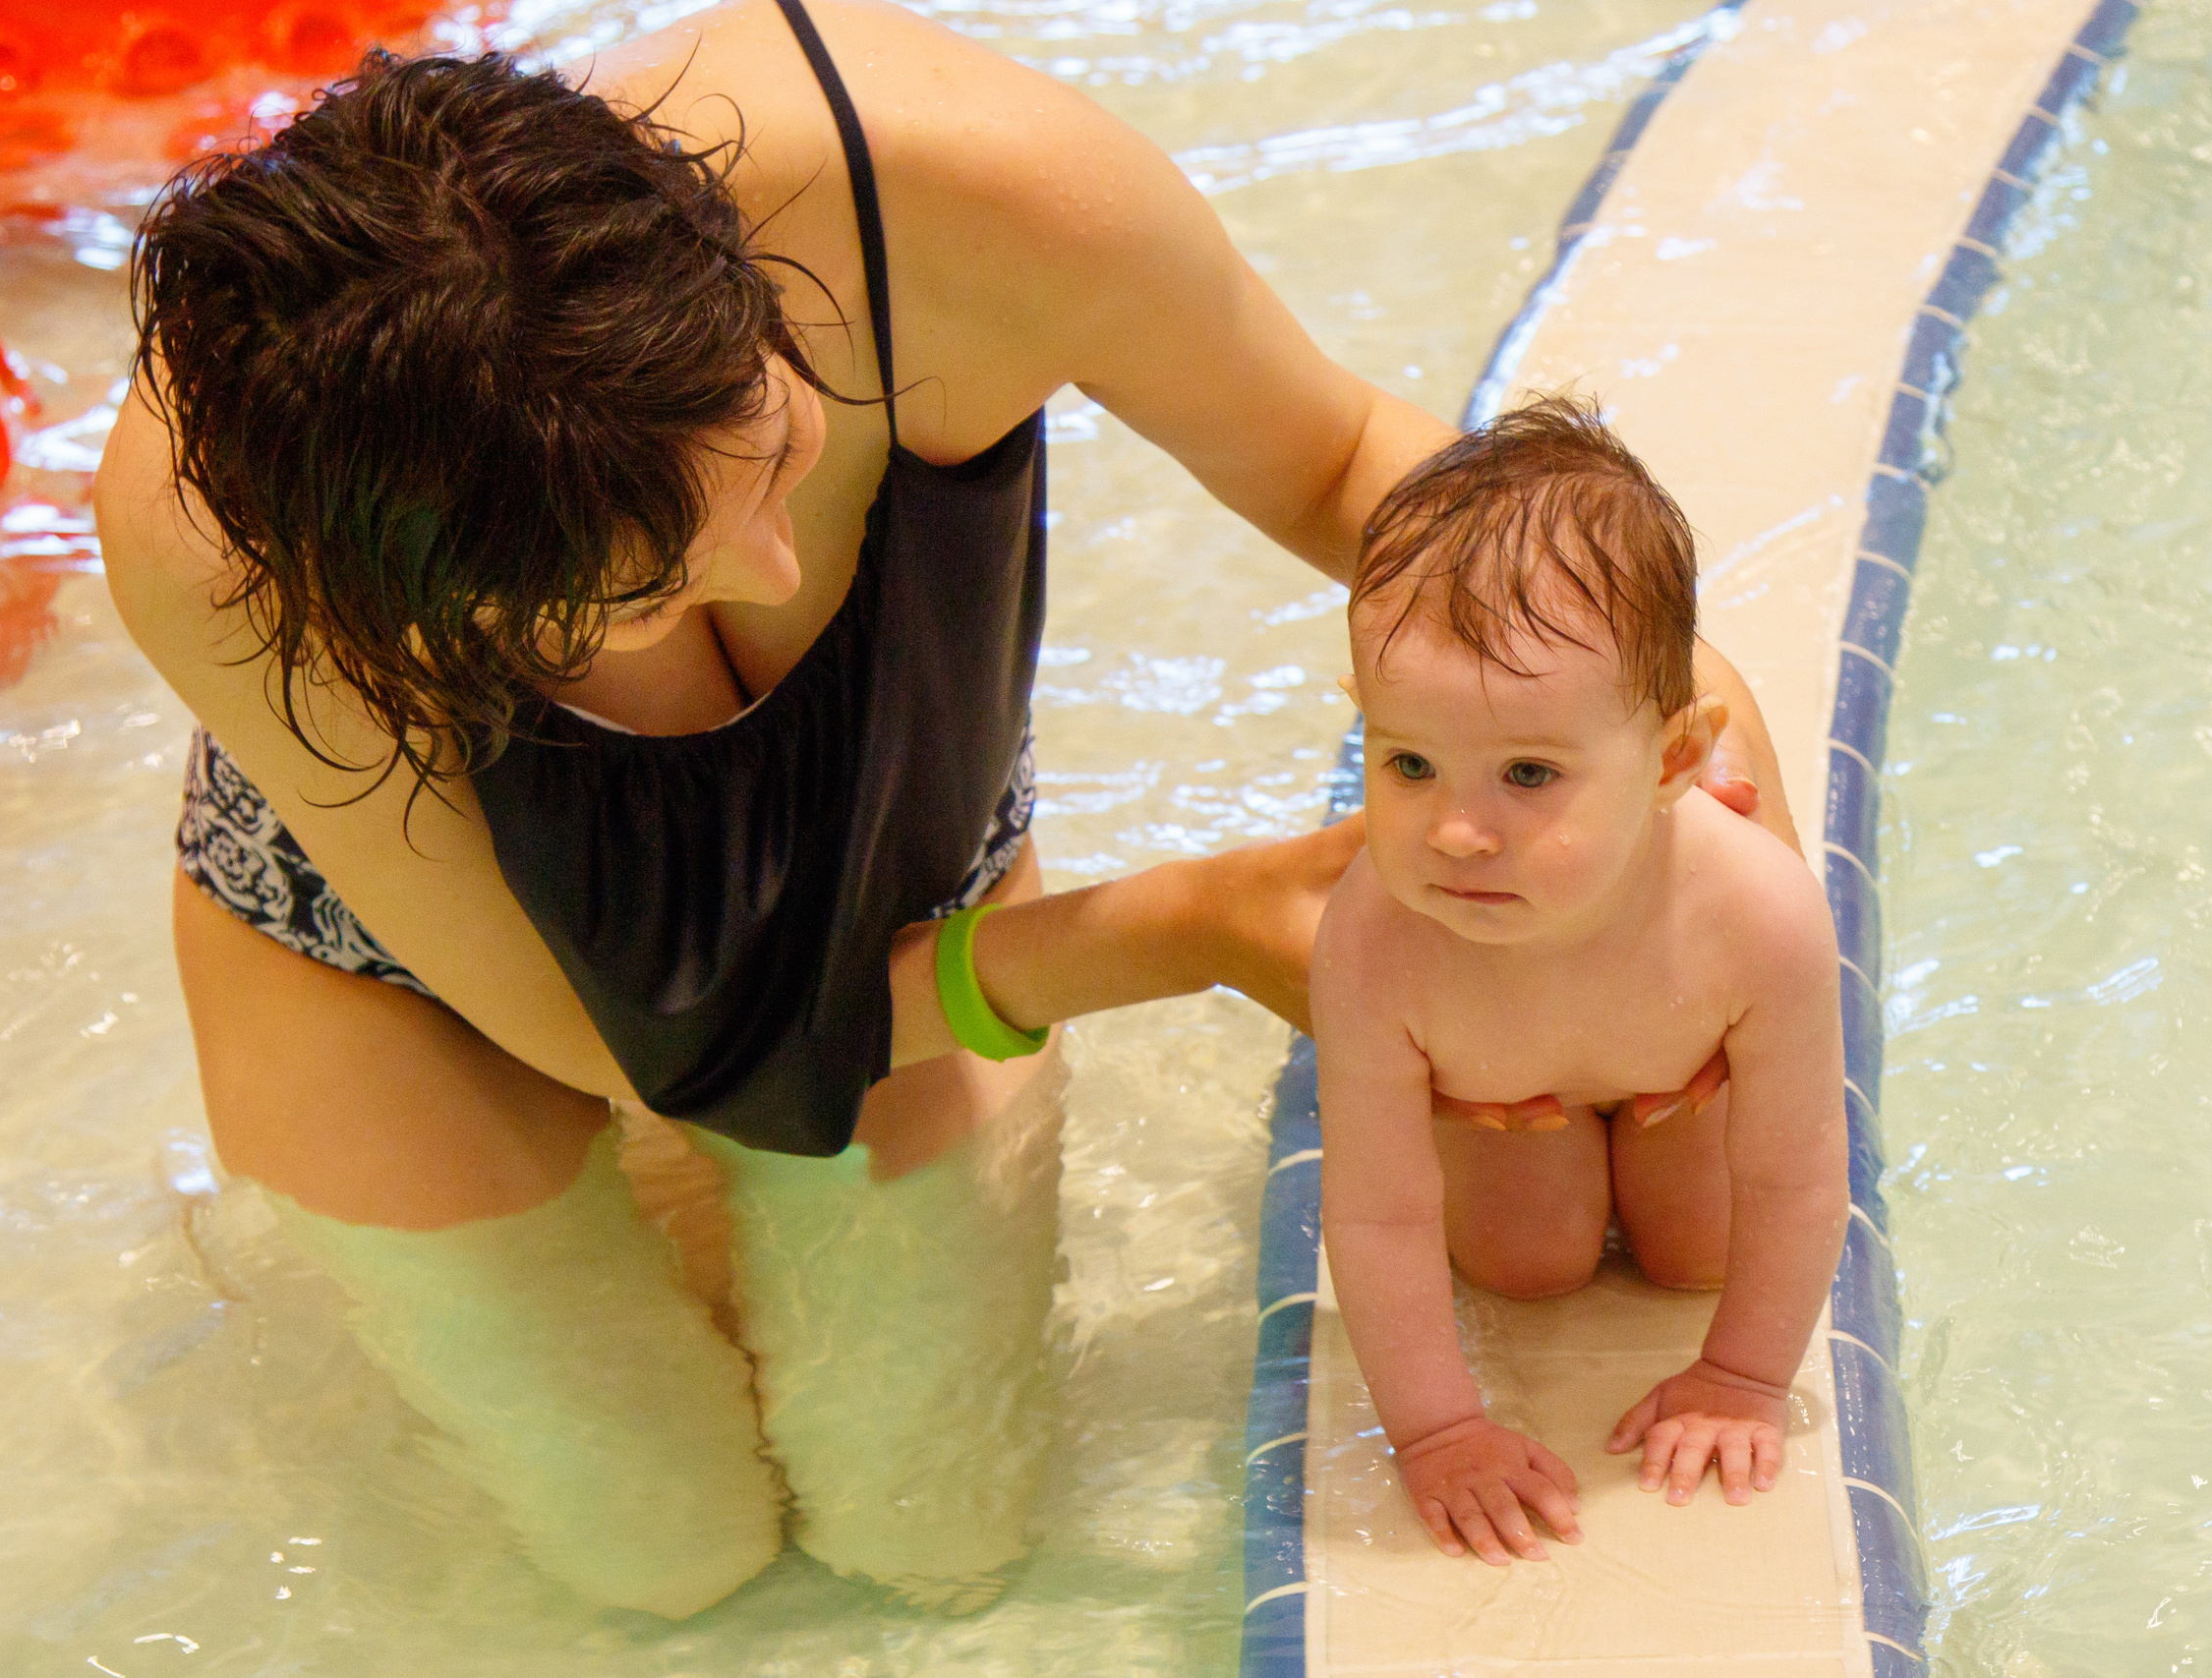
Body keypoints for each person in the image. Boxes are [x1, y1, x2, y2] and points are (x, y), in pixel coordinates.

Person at [97, 0, 1794, 1616]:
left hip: (888, 891)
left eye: (778, 454)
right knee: (654, 1553)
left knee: (936, 1530)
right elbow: (646, 1046)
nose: (779, 573)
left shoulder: (949, 195)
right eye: (638, 602)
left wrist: (1702, 771)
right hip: (414, 974)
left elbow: (1340, 457)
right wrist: (1195, 925)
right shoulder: (219, 545)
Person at [1309, 396, 1847, 1568]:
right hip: (1498, 1098)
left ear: (1671, 760)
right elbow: (1379, 1212)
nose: (1455, 833)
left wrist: (1743, 1376)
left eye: (1527, 774)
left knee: (1702, 1254)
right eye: (1409, 762)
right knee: (1527, 1267)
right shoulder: (1372, 943)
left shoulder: (1756, 915)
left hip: (1683, 1075)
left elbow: (1798, 1174)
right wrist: (1438, 1432)